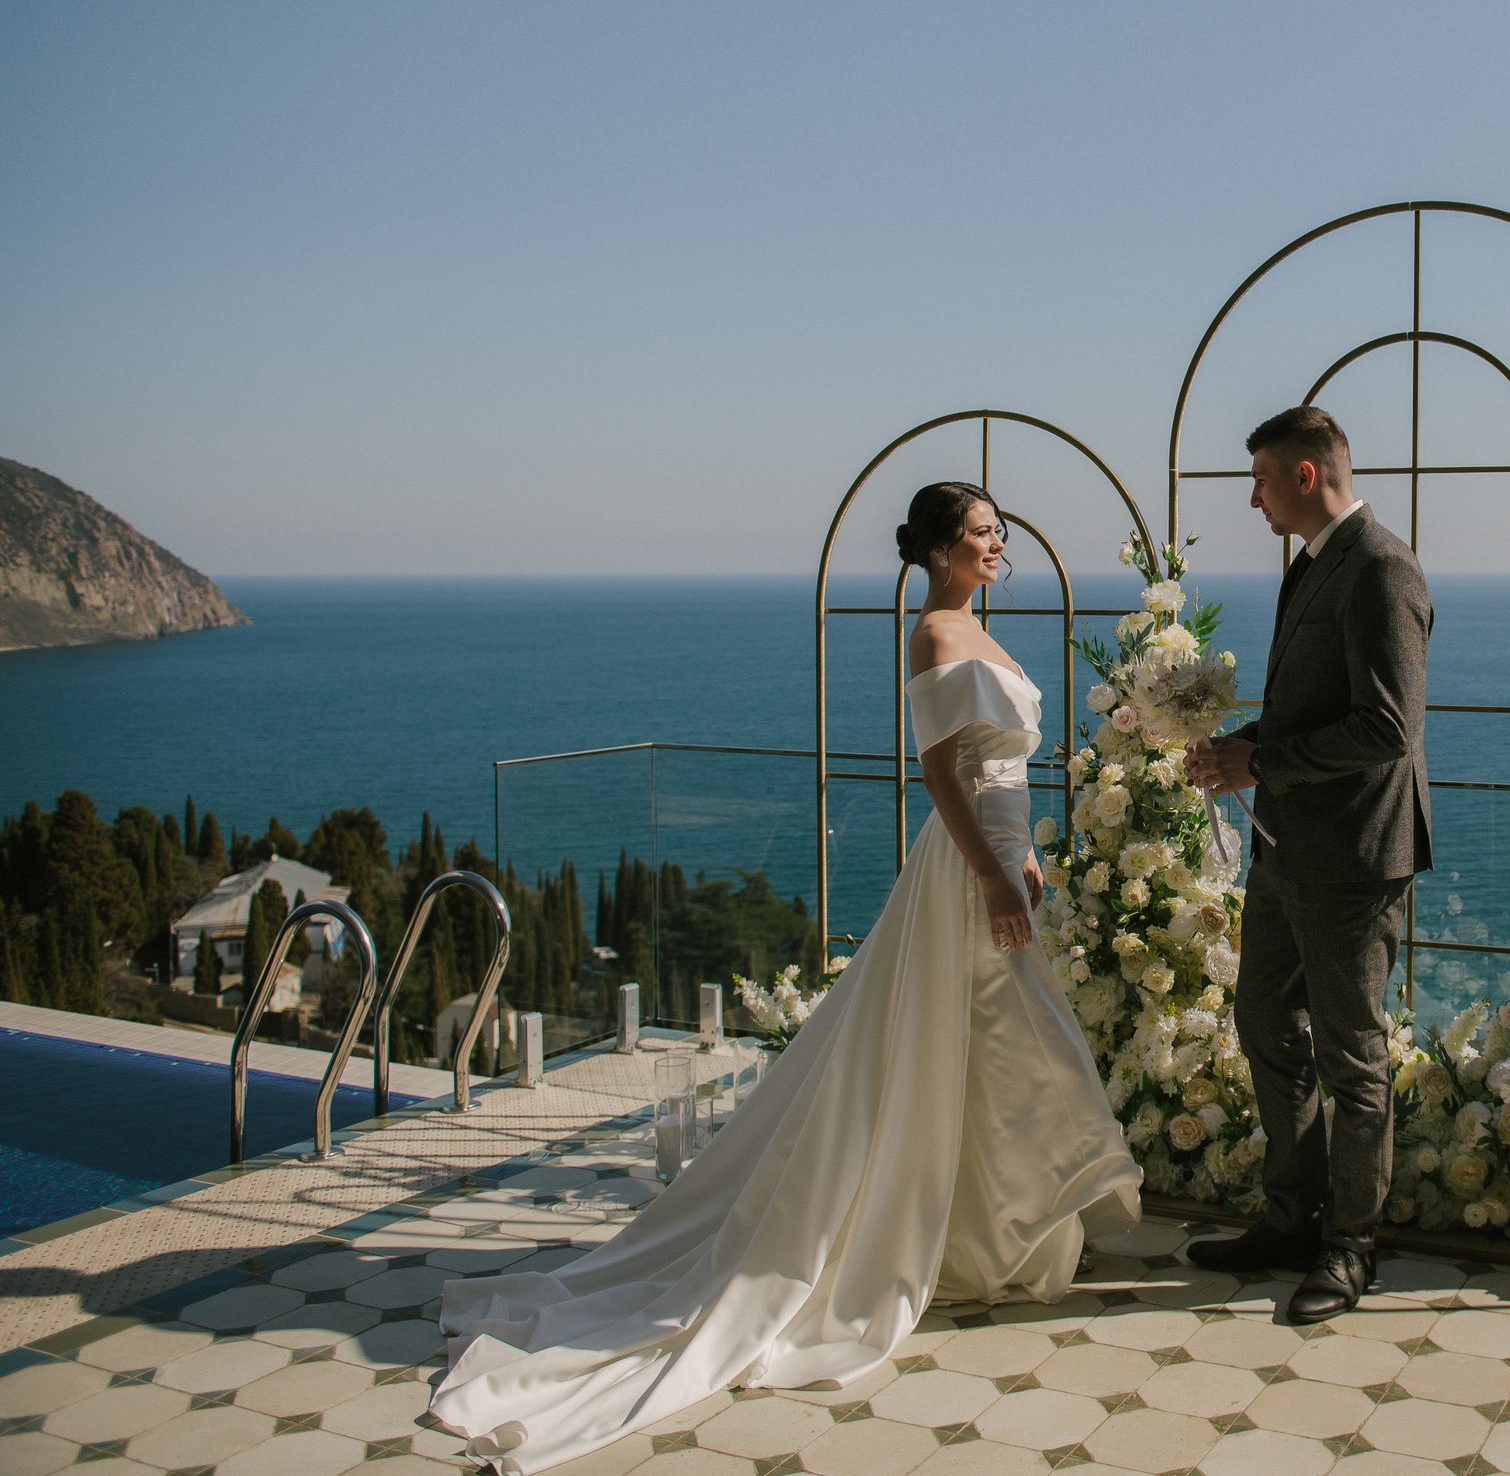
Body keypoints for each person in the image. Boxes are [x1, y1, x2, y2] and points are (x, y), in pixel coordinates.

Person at [430, 483, 1139, 1476]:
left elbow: (999, 761)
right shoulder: (933, 633)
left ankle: (990, 1234)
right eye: (981, 533)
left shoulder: (973, 628)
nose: (997, 546)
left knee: (997, 1051)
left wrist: (1020, 857)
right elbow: (939, 772)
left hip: (1003, 852)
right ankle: (994, 1227)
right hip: (966, 867)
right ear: (939, 546)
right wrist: (990, 869)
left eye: (997, 533)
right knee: (1011, 1039)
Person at [1185, 405, 1432, 1323]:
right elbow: (1306, 713)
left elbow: (1386, 727)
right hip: (1285, 848)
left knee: (1353, 1056)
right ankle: (1291, 1217)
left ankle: (1350, 1246)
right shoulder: (1313, 565)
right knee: (1263, 1025)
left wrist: (1264, 762)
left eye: (1258, 480)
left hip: (1355, 860)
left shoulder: (1381, 567)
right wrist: (1236, 748)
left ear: (1302, 475)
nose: (1251, 499)